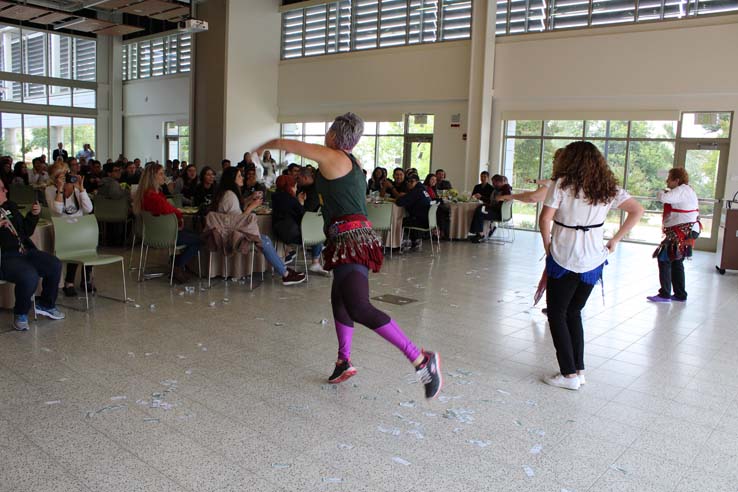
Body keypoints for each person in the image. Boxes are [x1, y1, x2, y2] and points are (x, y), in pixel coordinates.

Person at [254, 112, 442, 399]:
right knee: (339, 299)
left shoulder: (333, 156)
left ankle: (420, 358)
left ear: (333, 135)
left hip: (352, 238)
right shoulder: (351, 162)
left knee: (358, 306)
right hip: (346, 238)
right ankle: (343, 361)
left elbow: (286, 143)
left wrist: (263, 147)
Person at [539, 141, 643, 390]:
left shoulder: (561, 184)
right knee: (574, 312)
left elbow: (545, 219)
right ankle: (578, 370)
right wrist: (615, 239)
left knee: (557, 313)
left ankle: (568, 374)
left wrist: (547, 246)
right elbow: (637, 210)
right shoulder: (607, 187)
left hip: (564, 256)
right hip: (594, 258)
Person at [213, 167, 306, 286]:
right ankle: (285, 274)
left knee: (265, 239)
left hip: (230, 230)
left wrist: (250, 198)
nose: (243, 178)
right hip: (232, 234)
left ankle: (285, 271)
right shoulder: (229, 196)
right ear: (233, 179)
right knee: (265, 241)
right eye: (239, 176)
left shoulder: (228, 193)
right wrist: (252, 206)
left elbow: (236, 210)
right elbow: (237, 221)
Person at [0, 181, 65, 330]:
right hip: (5, 256)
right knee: (29, 275)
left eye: (5, 188)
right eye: (2, 189)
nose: (5, 191)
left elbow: (24, 231)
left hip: (24, 250)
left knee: (53, 264)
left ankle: (46, 304)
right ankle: (20, 314)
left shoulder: (10, 206)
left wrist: (33, 214)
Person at [133, 163, 202, 284]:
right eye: (161, 174)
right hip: (166, 235)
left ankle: (176, 262)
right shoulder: (154, 197)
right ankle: (177, 265)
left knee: (193, 234)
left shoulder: (145, 194)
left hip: (151, 234)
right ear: (152, 177)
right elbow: (171, 212)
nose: (164, 177)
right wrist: (179, 218)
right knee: (199, 239)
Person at [647, 168, 699, 303]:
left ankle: (665, 294)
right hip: (685, 230)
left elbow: (664, 198)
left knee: (664, 257)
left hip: (679, 231)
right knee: (676, 261)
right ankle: (680, 294)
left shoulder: (681, 190)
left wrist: (661, 192)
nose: (667, 181)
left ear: (677, 180)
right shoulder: (687, 190)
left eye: (669, 178)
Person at [45, 162, 95, 296]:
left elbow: (89, 209)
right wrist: (60, 190)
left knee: (89, 244)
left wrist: (81, 189)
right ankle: (69, 282)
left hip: (79, 228)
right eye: (61, 176)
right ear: (54, 179)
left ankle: (87, 279)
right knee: (76, 247)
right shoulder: (50, 190)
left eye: (66, 174)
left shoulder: (76, 188)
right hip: (63, 230)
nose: (65, 178)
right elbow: (57, 211)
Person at [271, 174, 329, 276]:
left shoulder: (275, 197)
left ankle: (290, 254)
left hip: (277, 231)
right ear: (290, 186)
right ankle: (315, 262)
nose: (296, 188)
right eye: (295, 185)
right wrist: (301, 203)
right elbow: (303, 217)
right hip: (291, 234)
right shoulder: (291, 200)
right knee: (316, 233)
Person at [469, 173, 512, 243]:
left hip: (499, 213)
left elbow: (498, 205)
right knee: (479, 209)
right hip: (498, 211)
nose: (493, 185)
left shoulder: (505, 190)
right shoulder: (500, 190)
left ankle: (480, 234)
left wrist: (488, 206)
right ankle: (479, 233)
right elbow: (492, 201)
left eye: (494, 183)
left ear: (500, 182)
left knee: (480, 212)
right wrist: (482, 198)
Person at [397, 172, 432, 250]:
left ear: (417, 182)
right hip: (429, 221)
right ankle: (415, 240)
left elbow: (400, 202)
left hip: (421, 222)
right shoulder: (423, 190)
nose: (409, 183)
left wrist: (401, 196)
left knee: (399, 221)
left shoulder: (416, 191)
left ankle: (403, 242)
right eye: (408, 182)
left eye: (411, 181)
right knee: (409, 218)